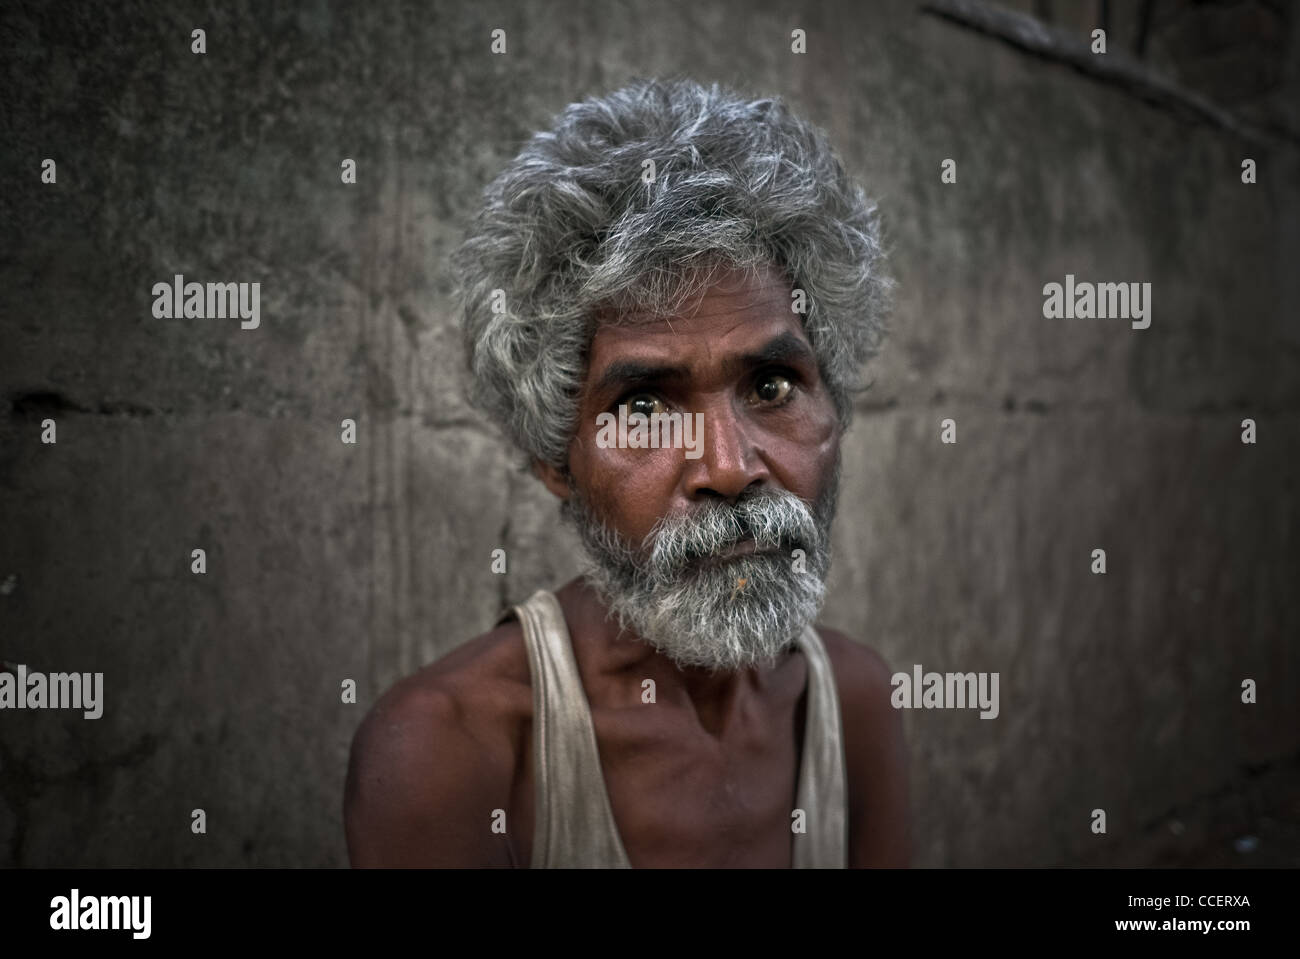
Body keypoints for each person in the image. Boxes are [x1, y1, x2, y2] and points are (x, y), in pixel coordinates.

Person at [344, 76, 909, 868]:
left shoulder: (855, 701)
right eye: (644, 408)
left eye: (772, 386)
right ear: (554, 459)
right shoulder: (446, 753)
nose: (730, 466)